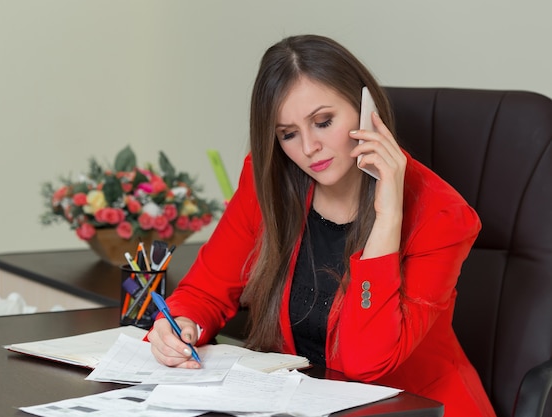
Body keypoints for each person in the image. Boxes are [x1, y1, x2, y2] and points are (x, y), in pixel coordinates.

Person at [147, 34, 496, 417]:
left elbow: (366, 361)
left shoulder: (441, 216)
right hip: (300, 402)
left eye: (323, 122)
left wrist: (388, 218)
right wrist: (180, 325)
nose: (309, 147)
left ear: (367, 111)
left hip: (412, 407)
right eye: (288, 134)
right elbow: (207, 291)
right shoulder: (269, 180)